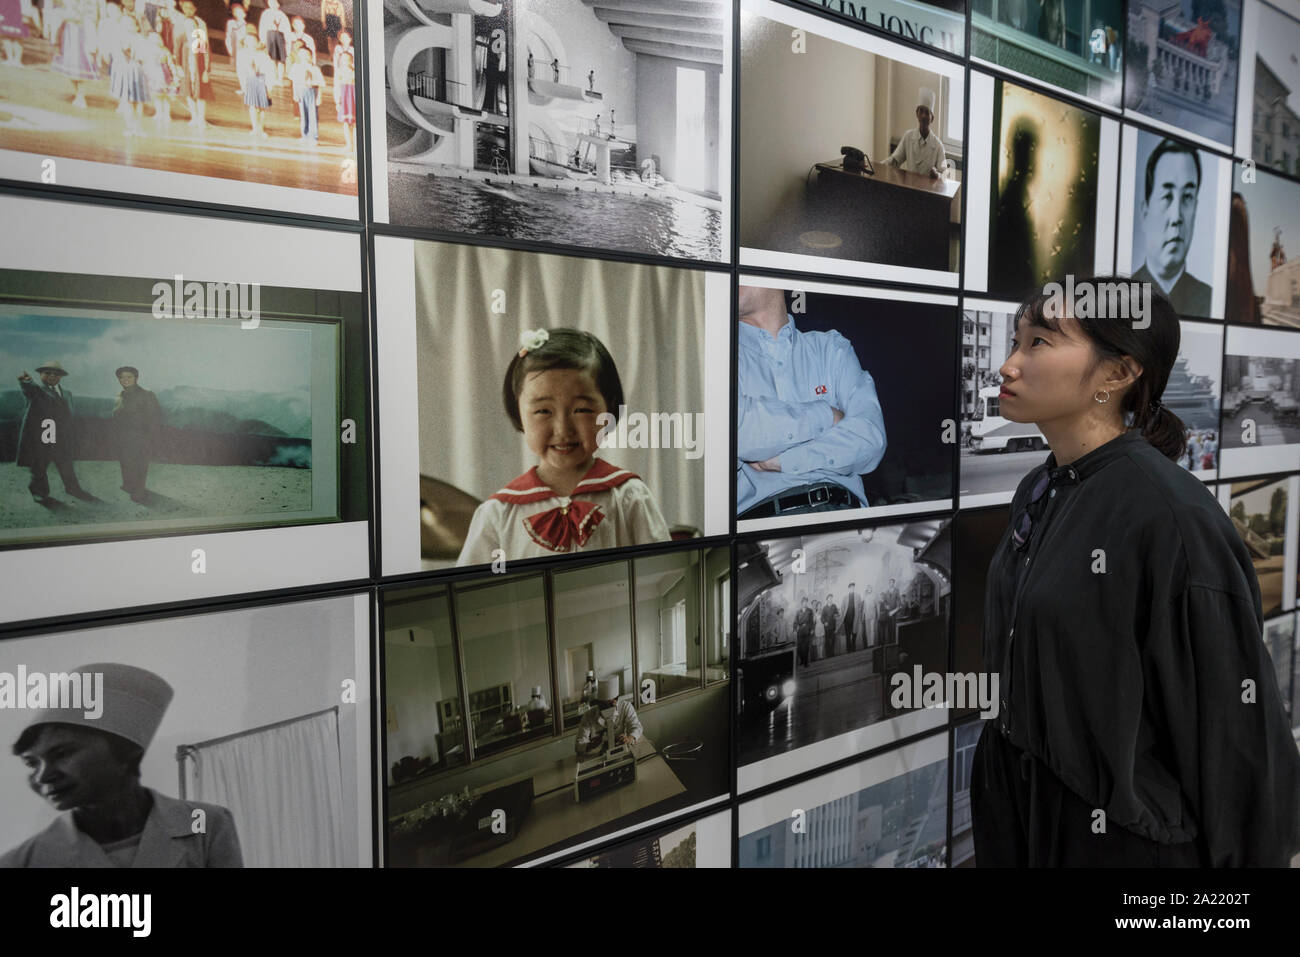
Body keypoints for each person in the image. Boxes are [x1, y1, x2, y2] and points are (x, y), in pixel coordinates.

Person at [971, 277, 1300, 866]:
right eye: (1016, 341)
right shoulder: (1040, 488)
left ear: (1117, 374)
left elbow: (1239, 746)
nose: (1008, 365)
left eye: (1039, 343)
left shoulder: (1173, 519)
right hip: (1023, 825)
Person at [456, 328, 672, 565]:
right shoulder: (498, 513)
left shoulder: (629, 496)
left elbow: (663, 576)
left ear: (608, 410)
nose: (563, 429)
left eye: (581, 410)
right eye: (543, 411)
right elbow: (473, 595)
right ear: (518, 413)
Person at [1, 663, 243, 867]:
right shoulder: (24, 861)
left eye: (62, 753)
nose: (43, 776)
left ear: (127, 751)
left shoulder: (205, 823)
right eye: (31, 763)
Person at [736, 285, 887, 520]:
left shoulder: (831, 348)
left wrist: (784, 460)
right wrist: (826, 415)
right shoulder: (717, 356)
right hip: (762, 528)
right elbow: (740, 430)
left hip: (845, 515)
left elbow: (870, 439)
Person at [1132, 139, 1212, 317]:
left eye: (1187, 197)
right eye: (1167, 196)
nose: (1176, 217)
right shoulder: (1119, 299)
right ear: (1145, 212)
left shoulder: (1209, 301)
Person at [16, 362, 93, 504]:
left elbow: (70, 415)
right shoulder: (37, 391)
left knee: (66, 464)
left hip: (63, 435)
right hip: (44, 434)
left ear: (61, 377)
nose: (52, 376)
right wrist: (26, 382)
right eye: (47, 373)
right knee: (39, 465)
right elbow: (29, 389)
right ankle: (39, 492)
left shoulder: (67, 394)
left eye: (55, 374)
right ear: (41, 375)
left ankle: (73, 488)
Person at [112, 366, 163, 505]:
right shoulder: (119, 395)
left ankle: (139, 491)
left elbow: (155, 418)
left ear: (136, 378)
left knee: (140, 464)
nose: (125, 380)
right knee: (126, 462)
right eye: (122, 377)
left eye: (129, 377)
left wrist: (149, 439)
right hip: (123, 437)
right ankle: (128, 485)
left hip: (141, 436)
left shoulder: (147, 394)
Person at [885, 87, 948, 179]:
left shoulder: (938, 146)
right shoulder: (908, 137)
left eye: (927, 113)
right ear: (916, 114)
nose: (923, 116)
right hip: (909, 187)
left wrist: (936, 175)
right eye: (921, 111)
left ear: (932, 118)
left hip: (927, 191)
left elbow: (944, 174)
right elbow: (894, 161)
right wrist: (876, 166)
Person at [574, 679, 642, 758]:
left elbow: (636, 727)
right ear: (598, 703)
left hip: (621, 752)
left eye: (609, 704)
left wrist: (629, 738)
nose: (605, 709)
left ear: (616, 701)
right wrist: (591, 745)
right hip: (598, 756)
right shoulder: (588, 716)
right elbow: (578, 745)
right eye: (602, 705)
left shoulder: (625, 707)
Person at [289, 44, 324, 145]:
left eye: (307, 55)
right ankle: (304, 134)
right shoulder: (296, 67)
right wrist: (295, 94)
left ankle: (313, 136)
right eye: (302, 55)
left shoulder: (315, 68)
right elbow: (294, 82)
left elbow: (321, 84)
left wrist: (319, 97)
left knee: (313, 115)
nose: (305, 57)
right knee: (303, 115)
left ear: (311, 56)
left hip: (312, 91)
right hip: (301, 91)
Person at [257, 0, 289, 83]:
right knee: (272, 59)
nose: (273, 4)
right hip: (270, 37)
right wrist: (263, 40)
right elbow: (262, 27)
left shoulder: (282, 15)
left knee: (281, 60)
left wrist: (287, 41)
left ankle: (280, 78)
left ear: (279, 3)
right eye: (271, 2)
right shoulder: (265, 14)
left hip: (280, 37)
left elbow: (286, 29)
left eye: (275, 2)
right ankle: (274, 77)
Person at [794, 596, 815, 667]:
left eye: (806, 602)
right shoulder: (798, 611)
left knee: (806, 647)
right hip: (800, 631)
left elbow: (811, 621)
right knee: (799, 648)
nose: (805, 603)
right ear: (801, 603)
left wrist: (812, 629)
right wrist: (794, 629)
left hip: (807, 630)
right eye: (804, 602)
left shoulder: (810, 611)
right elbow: (795, 621)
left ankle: (806, 663)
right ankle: (802, 659)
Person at [841, 582, 860, 653]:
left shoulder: (858, 596)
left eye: (853, 587)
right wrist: (842, 617)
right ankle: (848, 649)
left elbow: (860, 607)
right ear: (849, 588)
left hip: (854, 618)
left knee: (854, 633)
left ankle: (853, 647)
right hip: (847, 619)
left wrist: (858, 616)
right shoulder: (845, 597)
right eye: (851, 587)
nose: (852, 588)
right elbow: (842, 608)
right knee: (848, 634)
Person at [820, 593, 839, 659]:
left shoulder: (834, 606)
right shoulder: (824, 608)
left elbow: (837, 614)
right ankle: (828, 654)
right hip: (827, 627)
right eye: (829, 598)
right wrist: (824, 622)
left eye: (831, 598)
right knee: (827, 641)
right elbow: (822, 618)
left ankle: (832, 654)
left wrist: (836, 615)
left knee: (833, 640)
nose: (830, 599)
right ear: (827, 599)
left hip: (833, 626)